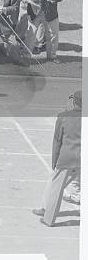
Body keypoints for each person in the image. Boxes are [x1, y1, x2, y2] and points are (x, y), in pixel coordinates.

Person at [32, 90, 81, 226]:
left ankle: (48, 217)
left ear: (74, 102)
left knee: (56, 188)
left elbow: (57, 141)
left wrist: (54, 161)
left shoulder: (63, 116)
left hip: (67, 158)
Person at [20, 0, 64, 64]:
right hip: (34, 11)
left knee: (53, 35)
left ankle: (52, 56)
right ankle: (26, 55)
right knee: (31, 34)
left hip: (50, 13)